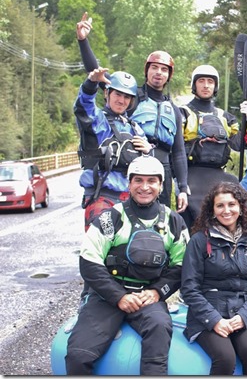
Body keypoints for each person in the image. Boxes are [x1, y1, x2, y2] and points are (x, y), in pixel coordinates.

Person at [65, 156, 189, 375]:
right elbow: (89, 262)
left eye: (152, 181)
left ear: (161, 185)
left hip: (146, 298)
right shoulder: (110, 218)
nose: (144, 187)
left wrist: (157, 292)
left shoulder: (173, 221)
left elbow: (180, 265)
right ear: (129, 183)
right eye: (138, 180)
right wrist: (119, 297)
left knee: (160, 332)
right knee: (78, 356)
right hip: (106, 297)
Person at [76, 12, 189, 212]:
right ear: (146, 71)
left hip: (161, 170)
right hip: (131, 169)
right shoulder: (130, 96)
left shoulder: (174, 110)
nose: (158, 73)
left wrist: (182, 187)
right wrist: (83, 41)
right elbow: (98, 76)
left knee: (156, 230)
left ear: (169, 75)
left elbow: (179, 152)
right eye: (154, 67)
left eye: (164, 69)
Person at [181, 182, 247, 375]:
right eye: (220, 205)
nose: (226, 210)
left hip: (244, 312)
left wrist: (244, 317)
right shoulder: (199, 240)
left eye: (231, 204)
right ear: (212, 210)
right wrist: (214, 320)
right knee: (225, 358)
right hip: (208, 313)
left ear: (241, 208)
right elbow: (189, 288)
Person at [74, 67, 151, 231]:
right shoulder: (97, 119)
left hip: (131, 200)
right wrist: (91, 83)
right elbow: (83, 106)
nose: (121, 100)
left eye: (126, 97)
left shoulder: (135, 128)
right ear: (107, 93)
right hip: (102, 195)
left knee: (133, 250)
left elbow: (149, 170)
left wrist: (148, 152)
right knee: (99, 247)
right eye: (118, 94)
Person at [178, 65, 241, 228]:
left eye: (210, 82)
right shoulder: (183, 113)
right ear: (194, 85)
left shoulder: (225, 117)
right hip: (190, 174)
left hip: (218, 174)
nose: (206, 85)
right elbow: (176, 149)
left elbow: (240, 145)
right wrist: (181, 185)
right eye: (201, 81)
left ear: (215, 86)